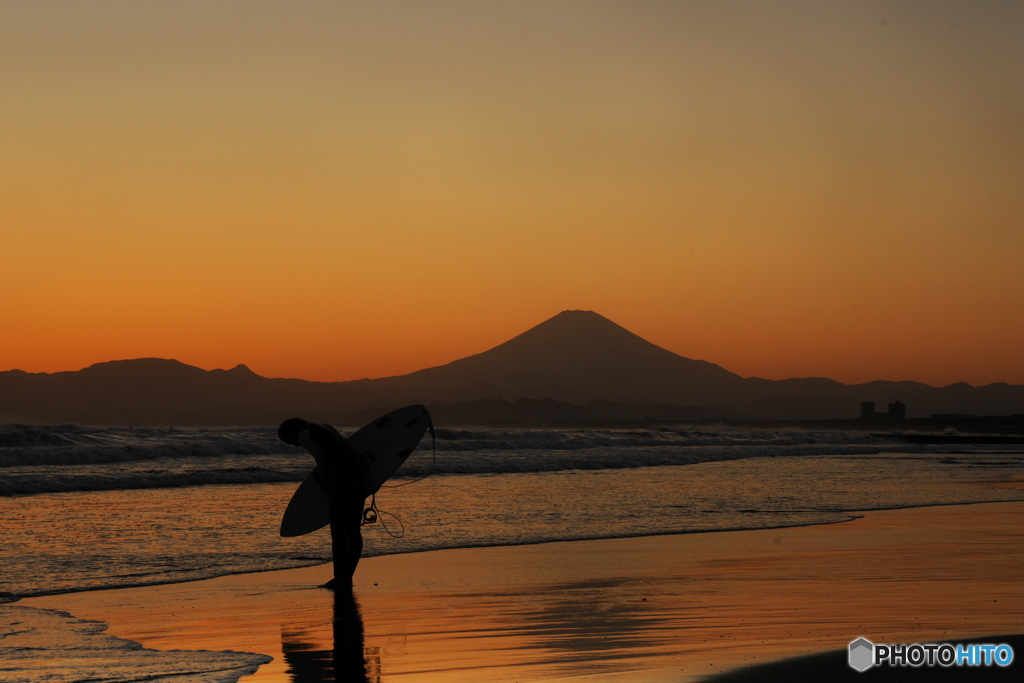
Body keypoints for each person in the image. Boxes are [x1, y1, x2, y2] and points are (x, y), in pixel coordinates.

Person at [279, 417, 366, 589]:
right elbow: (345, 451)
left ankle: (340, 579)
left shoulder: (306, 434)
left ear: (292, 432)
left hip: (342, 484)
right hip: (358, 480)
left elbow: (325, 459)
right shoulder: (324, 428)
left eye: (290, 441)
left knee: (339, 533)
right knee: (353, 531)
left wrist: (331, 485)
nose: (296, 445)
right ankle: (347, 577)